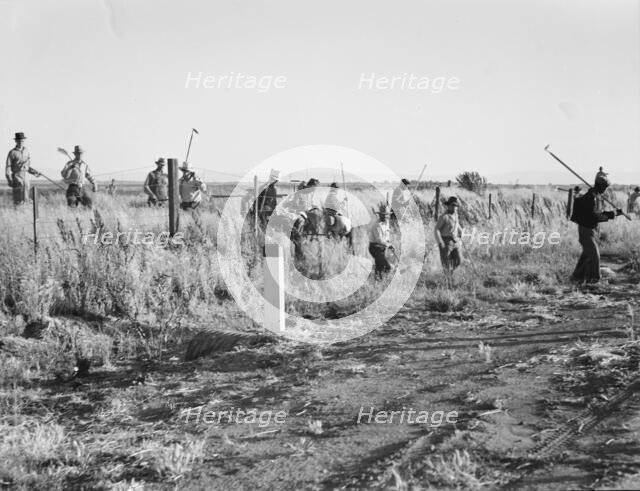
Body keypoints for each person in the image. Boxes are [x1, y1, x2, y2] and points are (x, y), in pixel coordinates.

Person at [571, 174, 623, 284]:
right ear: (600, 186)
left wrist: (615, 213)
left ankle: (576, 278)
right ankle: (594, 282)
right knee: (595, 257)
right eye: (604, 187)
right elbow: (596, 216)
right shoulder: (591, 198)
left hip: (592, 230)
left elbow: (598, 213)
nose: (605, 190)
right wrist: (612, 214)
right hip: (586, 231)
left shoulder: (596, 196)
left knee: (586, 256)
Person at [5, 132, 39, 206]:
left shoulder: (26, 151)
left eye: (22, 141)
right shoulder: (12, 152)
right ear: (16, 141)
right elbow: (8, 167)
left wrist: (35, 172)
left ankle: (25, 213)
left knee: (26, 196)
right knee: (18, 198)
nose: (21, 142)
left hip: (26, 177)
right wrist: (10, 181)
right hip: (17, 177)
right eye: (19, 140)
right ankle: (17, 213)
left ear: (24, 141)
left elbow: (27, 166)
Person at [434, 196, 463, 274]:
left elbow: (457, 224)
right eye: (452, 205)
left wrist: (460, 231)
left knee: (458, 261)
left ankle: (450, 273)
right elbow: (436, 229)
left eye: (456, 205)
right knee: (446, 263)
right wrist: (440, 242)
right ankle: (447, 280)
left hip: (455, 241)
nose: (454, 207)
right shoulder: (444, 217)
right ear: (448, 206)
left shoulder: (456, 215)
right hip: (446, 242)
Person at [369, 205, 392, 278]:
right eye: (384, 215)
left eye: (387, 215)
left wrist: (389, 243)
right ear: (380, 215)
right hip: (375, 248)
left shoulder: (386, 223)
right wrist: (388, 245)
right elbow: (379, 240)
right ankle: (385, 280)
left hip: (382, 248)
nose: (386, 217)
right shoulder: (377, 226)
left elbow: (386, 236)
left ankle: (377, 281)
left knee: (379, 267)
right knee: (388, 267)